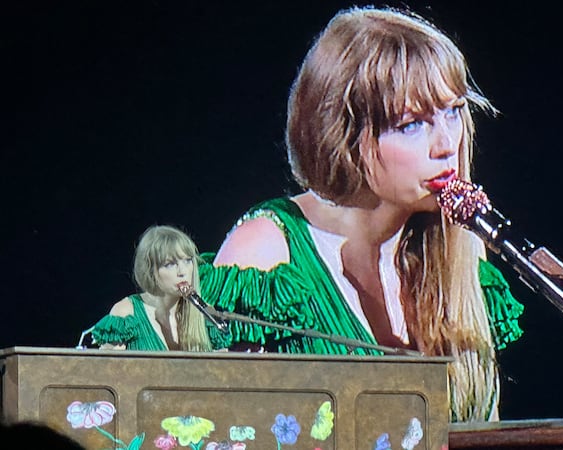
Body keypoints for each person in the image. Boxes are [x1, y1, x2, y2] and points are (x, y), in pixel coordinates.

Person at [196, 6, 524, 422]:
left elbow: (483, 429)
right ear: (345, 138)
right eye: (412, 124)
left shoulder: (461, 246)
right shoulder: (266, 252)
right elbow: (217, 428)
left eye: (454, 110)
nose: (446, 144)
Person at [91, 225, 230, 351]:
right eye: (170, 264)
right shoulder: (126, 313)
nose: (183, 272)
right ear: (150, 271)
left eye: (188, 261)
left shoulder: (206, 316)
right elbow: (109, 374)